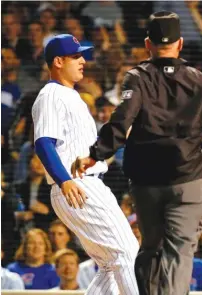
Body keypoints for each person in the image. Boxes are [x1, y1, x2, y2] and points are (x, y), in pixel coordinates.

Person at [72, 11, 202, 295]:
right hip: (188, 179)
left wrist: (94, 155)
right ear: (180, 43)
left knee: (150, 248)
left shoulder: (136, 79)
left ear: (148, 44)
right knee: (179, 252)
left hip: (147, 183)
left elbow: (120, 123)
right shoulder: (201, 81)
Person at [30, 33, 139, 294]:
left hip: (81, 184)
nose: (82, 61)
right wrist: (64, 180)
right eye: (76, 56)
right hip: (78, 185)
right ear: (58, 61)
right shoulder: (52, 95)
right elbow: (43, 143)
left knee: (110, 264)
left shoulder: (70, 95)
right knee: (127, 255)